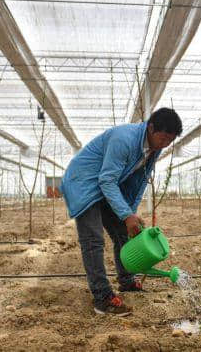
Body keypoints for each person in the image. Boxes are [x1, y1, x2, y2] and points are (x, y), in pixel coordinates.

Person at [61, 108, 182, 316]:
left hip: (105, 186)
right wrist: (126, 214)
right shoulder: (124, 139)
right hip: (83, 183)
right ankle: (102, 298)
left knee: (123, 232)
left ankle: (126, 281)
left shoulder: (155, 147)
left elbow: (139, 181)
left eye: (169, 141)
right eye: (163, 138)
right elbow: (106, 179)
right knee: (93, 240)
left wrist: (129, 213)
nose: (164, 145)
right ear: (151, 128)